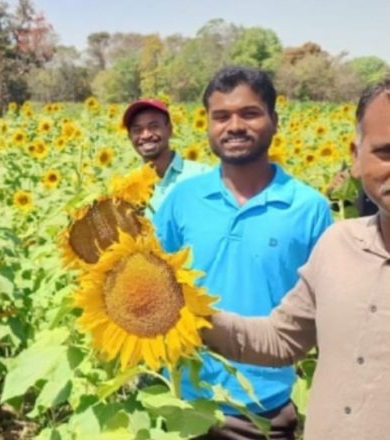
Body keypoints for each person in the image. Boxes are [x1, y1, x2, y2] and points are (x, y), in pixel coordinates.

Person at [202, 77, 390, 439]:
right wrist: (184, 315)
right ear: (355, 156)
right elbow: (281, 339)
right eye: (386, 151)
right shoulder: (338, 243)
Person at [153, 67, 333, 439]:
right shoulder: (182, 200)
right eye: (221, 116)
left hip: (264, 406)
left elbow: (327, 308)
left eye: (249, 113)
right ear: (208, 125)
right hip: (183, 397)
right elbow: (155, 283)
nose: (234, 125)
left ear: (274, 120)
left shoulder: (309, 208)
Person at [122, 98, 211, 213]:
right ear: (130, 137)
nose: (146, 135)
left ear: (169, 130)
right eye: (137, 130)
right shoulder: (128, 186)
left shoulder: (202, 175)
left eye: (154, 126)